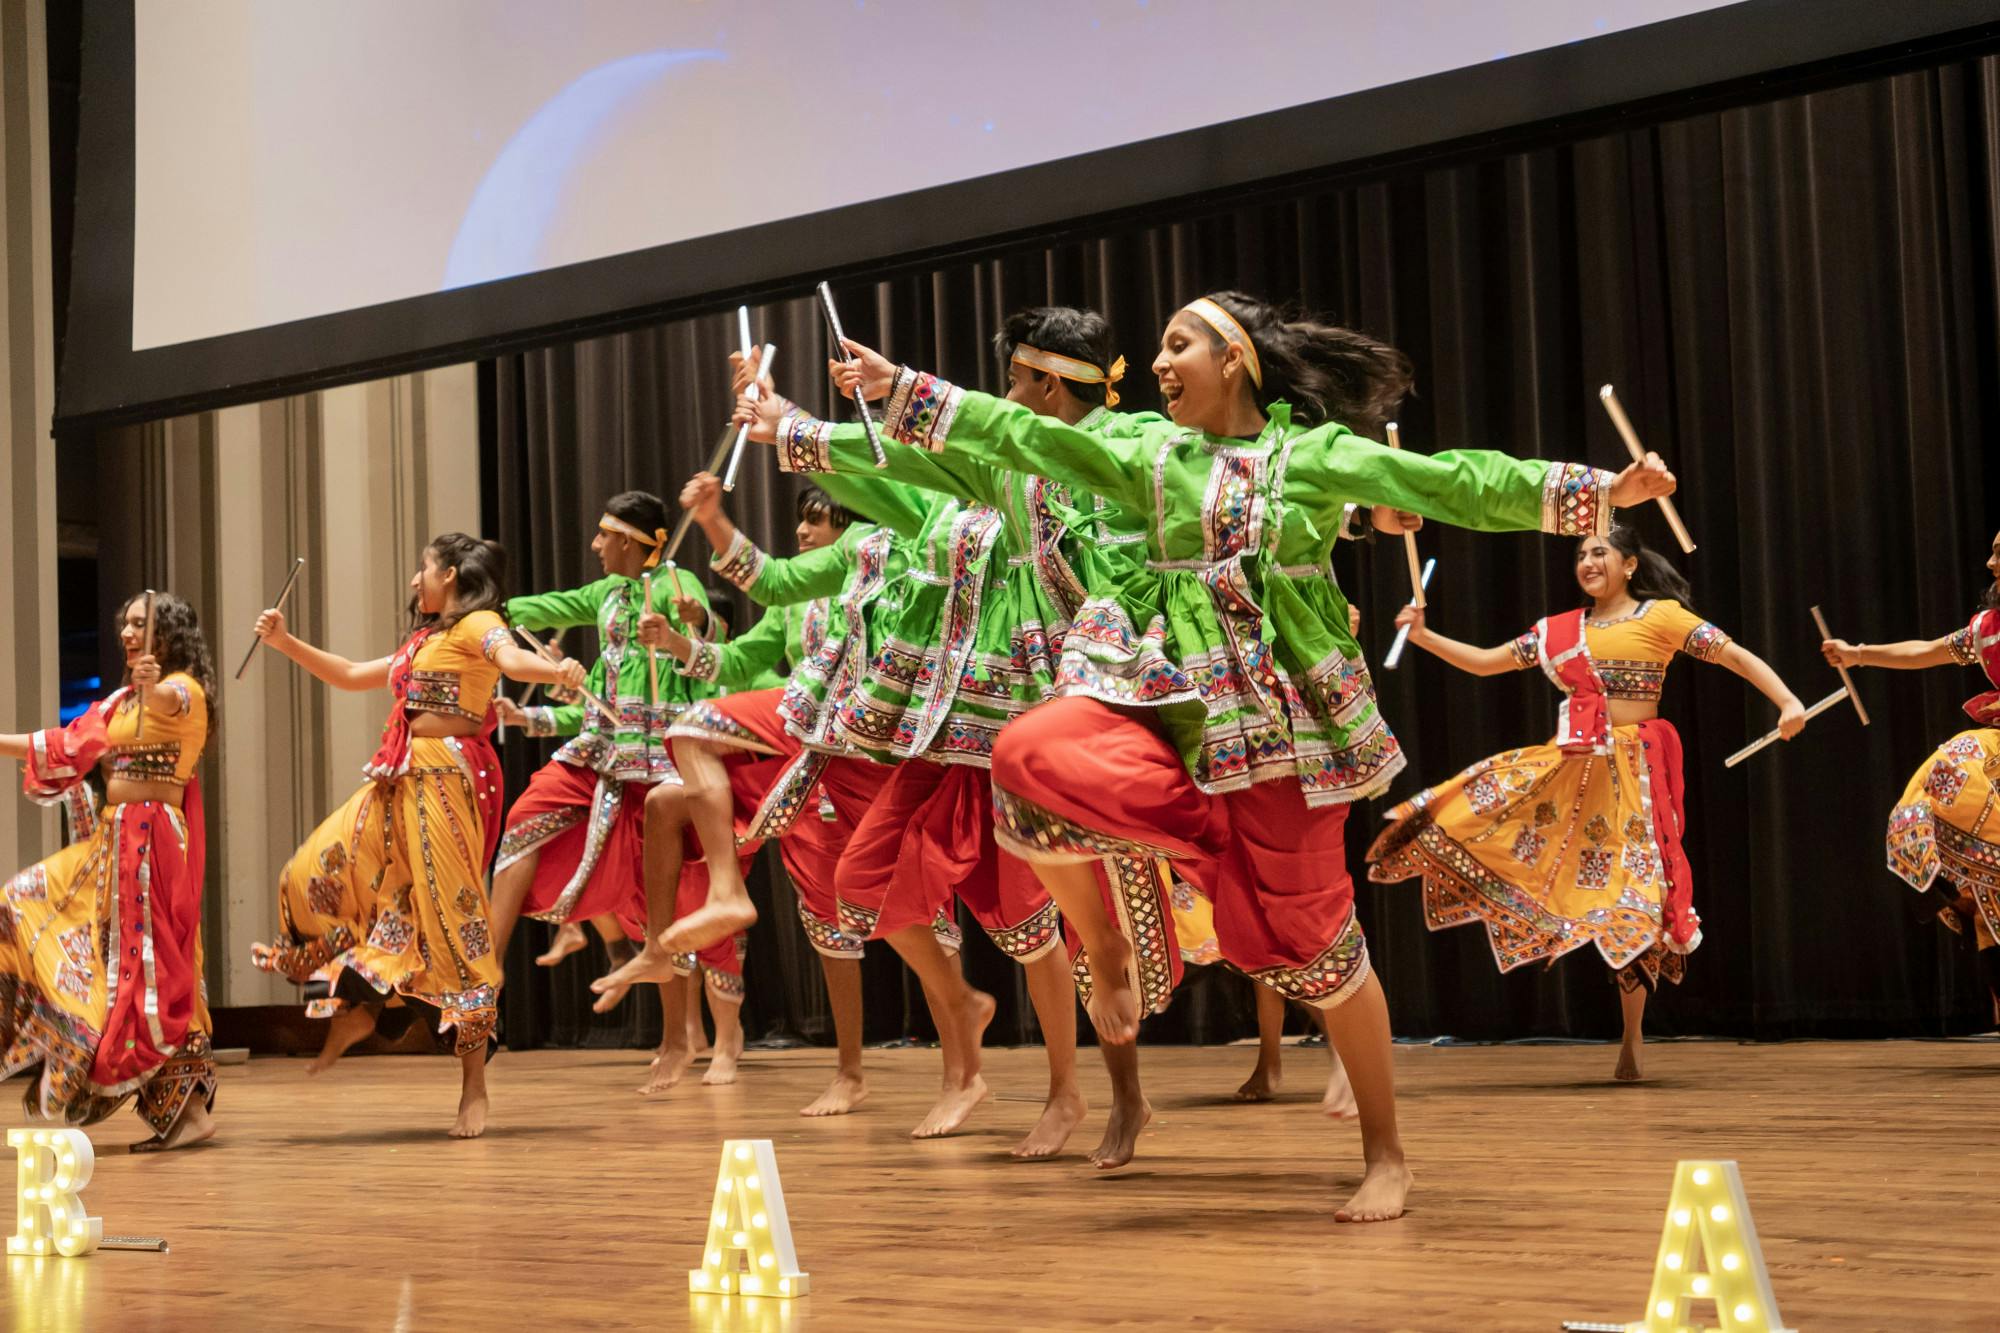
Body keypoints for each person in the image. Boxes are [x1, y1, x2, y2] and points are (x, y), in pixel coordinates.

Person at [789, 290, 1678, 1219]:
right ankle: (1120, 930)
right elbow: (1026, 436)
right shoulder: (1148, 451)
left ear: (1238, 360)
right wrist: (901, 391)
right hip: (1171, 706)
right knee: (1029, 753)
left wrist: (1598, 491)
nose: (1161, 362)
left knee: (1315, 945)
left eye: (1181, 344)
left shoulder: (1314, 457)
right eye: (1160, 345)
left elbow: (1451, 481)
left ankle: (1386, 1151)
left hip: (1283, 737)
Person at [733, 307, 1184, 1157]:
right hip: (961, 719)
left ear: (1050, 385)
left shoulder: (1133, 444)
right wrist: (789, 422)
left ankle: (1105, 1093)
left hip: (1082, 693)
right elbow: (890, 467)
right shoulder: (975, 486)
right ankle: (975, 1016)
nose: (1003, 395)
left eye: (1016, 380)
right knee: (870, 876)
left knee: (1077, 899)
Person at [1369, 526, 1806, 1081]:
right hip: (1575, 777)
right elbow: (1486, 662)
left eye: (1600, 551)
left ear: (1629, 564)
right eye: (1581, 553)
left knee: (1639, 901)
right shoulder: (1560, 632)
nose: (1588, 561)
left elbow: (1737, 657)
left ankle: (1631, 1038)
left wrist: (1788, 701)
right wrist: (1425, 636)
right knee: (1483, 803)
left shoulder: (1662, 618)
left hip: (1638, 778)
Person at [250, 534, 585, 1137]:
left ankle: (474, 1087)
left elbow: (511, 661)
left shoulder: (479, 622)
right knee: (324, 869)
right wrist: (284, 642)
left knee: (457, 925)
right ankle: (364, 1002)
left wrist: (555, 667)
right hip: (402, 778)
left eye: (422, 569)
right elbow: (353, 674)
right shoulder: (423, 640)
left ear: (450, 573)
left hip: (449, 777)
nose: (414, 581)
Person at [633, 480, 951, 1109]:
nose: (803, 532)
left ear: (851, 527)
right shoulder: (793, 605)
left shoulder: (884, 570)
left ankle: (960, 1064)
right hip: (801, 762)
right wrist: (678, 647)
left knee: (916, 915)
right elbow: (745, 660)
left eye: (817, 521)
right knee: (826, 924)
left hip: (867, 753)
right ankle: (850, 1073)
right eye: (801, 522)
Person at [485, 491, 720, 1077]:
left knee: (657, 900)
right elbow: (542, 606)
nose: (595, 545)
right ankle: (484, 976)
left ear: (634, 542)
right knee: (523, 820)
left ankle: (676, 1040)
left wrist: (685, 625)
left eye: (605, 535)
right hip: (600, 751)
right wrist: (489, 609)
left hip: (662, 764)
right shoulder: (604, 594)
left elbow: (711, 636)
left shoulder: (676, 583)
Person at [0, 592, 218, 1152]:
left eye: (140, 625)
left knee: (152, 975)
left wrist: (154, 685)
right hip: (113, 845)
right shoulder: (119, 703)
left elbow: (171, 701)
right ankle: (182, 1111)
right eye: (125, 624)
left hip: (153, 849)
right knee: (26, 903)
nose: (127, 632)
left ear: (166, 635)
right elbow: (62, 745)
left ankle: (189, 1115)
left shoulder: (184, 691)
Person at [1825, 528, 2000, 1020]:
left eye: (1999, 553)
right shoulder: (1988, 628)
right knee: (1943, 774)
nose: (1989, 563)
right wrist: (1858, 654)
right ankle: (1955, 883)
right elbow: (1925, 651)